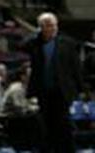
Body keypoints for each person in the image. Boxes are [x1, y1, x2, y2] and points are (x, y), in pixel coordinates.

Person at [24, 12, 80, 153]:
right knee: (47, 126)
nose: (53, 28)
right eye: (48, 25)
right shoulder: (35, 43)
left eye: (54, 25)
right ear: (41, 27)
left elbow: (76, 68)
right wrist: (37, 34)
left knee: (64, 125)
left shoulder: (68, 43)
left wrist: (80, 89)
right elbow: (22, 45)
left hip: (62, 91)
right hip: (43, 91)